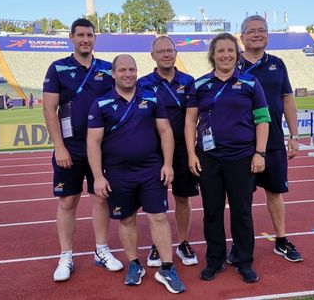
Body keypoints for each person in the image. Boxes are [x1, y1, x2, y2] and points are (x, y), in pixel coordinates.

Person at [87, 54, 186, 294]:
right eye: (122, 70)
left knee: (159, 217)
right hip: (118, 174)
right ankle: (134, 264)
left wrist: (168, 164)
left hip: (151, 170)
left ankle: (167, 267)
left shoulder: (151, 98)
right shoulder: (101, 103)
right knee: (126, 219)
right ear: (113, 73)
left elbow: (165, 132)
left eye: (132, 69)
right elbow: (93, 142)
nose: (128, 73)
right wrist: (98, 177)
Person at [184, 33, 270, 283]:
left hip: (242, 157)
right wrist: (191, 154)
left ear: (237, 53)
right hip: (209, 158)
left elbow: (263, 119)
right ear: (212, 55)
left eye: (230, 50)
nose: (225, 55)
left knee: (242, 212)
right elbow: (190, 121)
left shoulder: (251, 83)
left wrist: (260, 153)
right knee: (212, 212)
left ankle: (244, 260)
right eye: (220, 51)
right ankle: (215, 260)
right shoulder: (199, 85)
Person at [42, 18, 123, 282]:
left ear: (94, 38)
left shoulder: (106, 69)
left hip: (101, 147)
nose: (85, 39)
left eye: (89, 35)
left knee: (101, 197)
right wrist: (59, 147)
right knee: (67, 201)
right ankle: (66, 255)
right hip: (71, 147)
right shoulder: (58, 68)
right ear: (71, 37)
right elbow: (49, 109)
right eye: (80, 35)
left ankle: (101, 250)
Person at [236, 14, 303, 263]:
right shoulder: (232, 63)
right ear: (241, 37)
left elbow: (287, 99)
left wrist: (294, 136)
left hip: (274, 139)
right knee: (241, 197)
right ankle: (242, 245)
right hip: (241, 142)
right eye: (251, 31)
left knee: (276, 191)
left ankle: (281, 240)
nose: (257, 34)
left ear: (268, 35)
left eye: (261, 30)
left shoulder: (277, 64)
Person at [138, 36, 199, 267]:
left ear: (175, 53)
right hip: (154, 150)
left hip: (183, 149)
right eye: (160, 51)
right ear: (152, 55)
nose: (166, 54)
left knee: (183, 198)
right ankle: (158, 243)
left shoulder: (188, 81)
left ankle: (183, 241)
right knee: (156, 200)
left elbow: (194, 117)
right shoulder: (143, 83)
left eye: (169, 50)